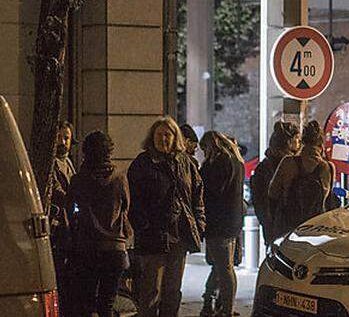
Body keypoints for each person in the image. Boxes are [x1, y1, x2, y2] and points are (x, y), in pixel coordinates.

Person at [127, 117, 206, 317]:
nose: (163, 139)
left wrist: (199, 223)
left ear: (175, 137)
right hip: (153, 236)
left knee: (173, 290)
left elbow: (197, 197)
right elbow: (133, 200)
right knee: (151, 290)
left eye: (168, 135)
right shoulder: (142, 164)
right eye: (159, 134)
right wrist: (143, 225)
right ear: (152, 137)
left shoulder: (185, 163)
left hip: (179, 236)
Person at [68, 130, 131, 317]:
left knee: (87, 303)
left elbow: (70, 210)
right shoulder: (119, 177)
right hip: (115, 249)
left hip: (87, 247)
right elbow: (126, 206)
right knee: (107, 304)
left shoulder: (78, 180)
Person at [200, 132, 246, 317]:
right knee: (221, 266)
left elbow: (211, 192)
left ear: (212, 145)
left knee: (224, 269)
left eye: (205, 149)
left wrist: (203, 170)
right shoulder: (237, 162)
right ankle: (208, 302)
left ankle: (226, 309)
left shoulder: (219, 164)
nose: (204, 154)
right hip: (232, 223)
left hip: (218, 223)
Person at [270, 120, 334, 235]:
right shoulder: (328, 167)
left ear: (303, 142)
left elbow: (273, 193)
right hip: (315, 227)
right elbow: (328, 202)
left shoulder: (288, 162)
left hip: (289, 226)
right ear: (321, 146)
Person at [251, 120, 300, 244]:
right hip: (280, 224)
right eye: (297, 139)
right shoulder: (286, 165)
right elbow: (261, 199)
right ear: (289, 142)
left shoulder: (264, 166)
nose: (299, 143)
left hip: (274, 224)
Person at [50, 121, 76, 309]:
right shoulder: (51, 164)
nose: (63, 142)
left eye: (66, 138)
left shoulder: (68, 162)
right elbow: (59, 193)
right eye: (59, 137)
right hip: (56, 228)